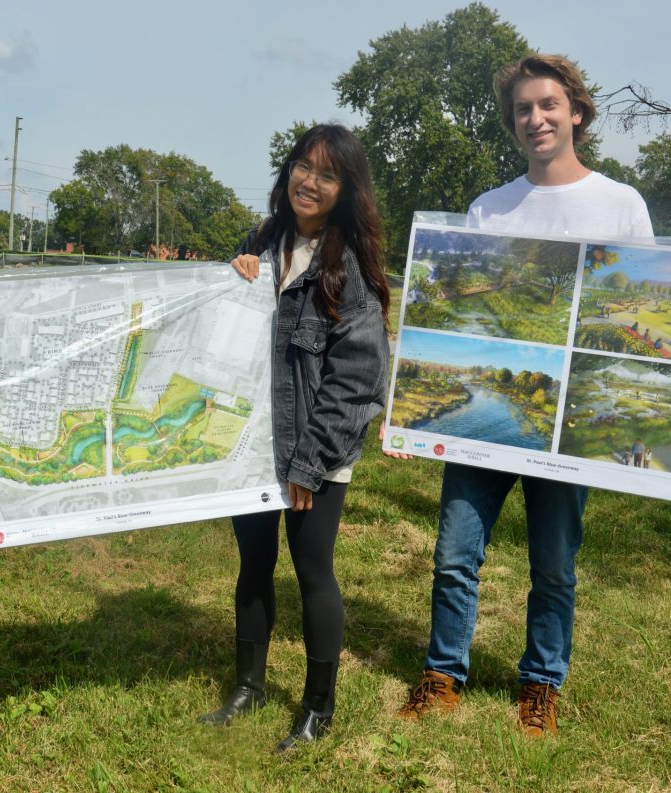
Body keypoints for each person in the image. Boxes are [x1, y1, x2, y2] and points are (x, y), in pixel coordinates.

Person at [392, 54, 671, 737]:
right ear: (511, 122)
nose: (534, 118)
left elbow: (651, 302)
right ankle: (443, 673)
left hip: (575, 420)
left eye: (546, 105)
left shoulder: (621, 203)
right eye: (521, 109)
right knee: (455, 551)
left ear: (576, 111)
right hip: (486, 411)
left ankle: (541, 683)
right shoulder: (488, 207)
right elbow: (458, 315)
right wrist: (412, 411)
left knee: (554, 563)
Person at [198, 124, 390, 752]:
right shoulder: (261, 241)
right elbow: (220, 338)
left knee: (313, 572)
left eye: (327, 174)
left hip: (315, 452)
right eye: (303, 167)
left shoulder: (348, 267)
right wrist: (233, 279)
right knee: (253, 565)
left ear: (345, 189)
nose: (311, 181)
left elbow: (357, 380)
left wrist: (309, 465)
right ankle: (248, 687)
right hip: (252, 444)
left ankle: (317, 707)